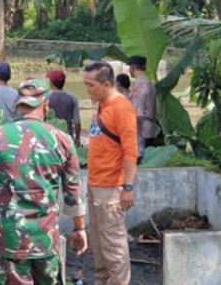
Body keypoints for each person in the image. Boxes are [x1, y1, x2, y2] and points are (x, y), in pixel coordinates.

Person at [0, 79, 87, 284]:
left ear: (18, 104)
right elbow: (73, 190)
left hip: (9, 239)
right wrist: (79, 228)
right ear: (46, 105)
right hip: (45, 238)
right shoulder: (63, 140)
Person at [83, 61, 138, 284]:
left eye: (90, 85)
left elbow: (131, 151)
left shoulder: (121, 107)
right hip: (95, 185)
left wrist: (127, 187)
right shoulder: (101, 104)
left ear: (106, 84)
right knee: (98, 245)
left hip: (111, 190)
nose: (86, 90)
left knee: (114, 249)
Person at [129, 56, 156, 161]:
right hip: (148, 129)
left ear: (133, 68)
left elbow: (138, 111)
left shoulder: (141, 84)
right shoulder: (148, 83)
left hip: (142, 131)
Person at [46, 69, 81, 145]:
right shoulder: (73, 97)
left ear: (51, 83)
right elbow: (77, 121)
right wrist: (77, 138)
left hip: (50, 137)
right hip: (68, 137)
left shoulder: (46, 98)